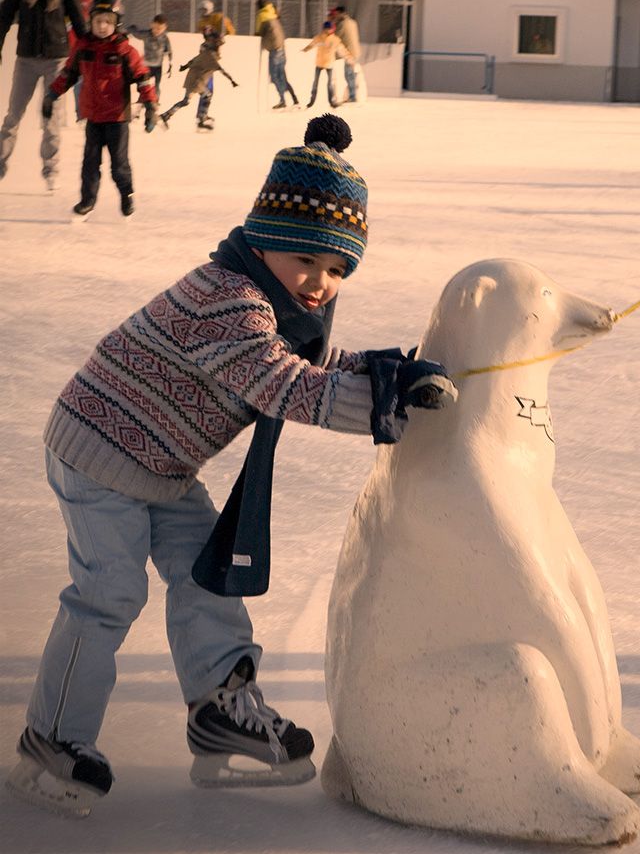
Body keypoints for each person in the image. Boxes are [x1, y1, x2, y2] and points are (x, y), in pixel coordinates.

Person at [5, 112, 458, 816]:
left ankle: (221, 712)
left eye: (337, 268)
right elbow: (282, 384)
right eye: (306, 259)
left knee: (206, 577)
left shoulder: (268, 306)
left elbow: (305, 365)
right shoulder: (228, 299)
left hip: (160, 463)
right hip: (98, 449)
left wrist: (386, 371)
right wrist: (382, 402)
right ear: (267, 241)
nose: (319, 282)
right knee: (109, 593)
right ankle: (52, 739)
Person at [42, 0, 158, 221]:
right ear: (91, 22)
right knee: (90, 164)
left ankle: (127, 194)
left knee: (119, 166)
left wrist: (151, 105)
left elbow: (143, 78)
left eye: (107, 21)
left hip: (117, 118)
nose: (102, 26)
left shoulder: (125, 50)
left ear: (116, 24)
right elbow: (68, 74)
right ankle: (87, 201)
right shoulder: (83, 47)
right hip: (93, 119)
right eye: (98, 21)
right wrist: (52, 94)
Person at [0, 0, 86, 191]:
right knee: (13, 115)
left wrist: (90, 50)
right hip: (26, 59)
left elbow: (78, 20)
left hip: (56, 60)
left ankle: (51, 169)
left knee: (50, 118)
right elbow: (5, 16)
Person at [160, 29, 236, 131]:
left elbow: (194, 60)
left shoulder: (207, 51)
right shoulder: (210, 53)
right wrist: (232, 81)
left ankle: (171, 115)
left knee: (197, 98)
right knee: (201, 97)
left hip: (198, 76)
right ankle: (197, 118)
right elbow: (220, 68)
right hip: (198, 79)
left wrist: (185, 66)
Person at [256, 0, 299, 109]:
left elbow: (258, 32)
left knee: (275, 77)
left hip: (274, 50)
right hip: (282, 49)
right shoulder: (274, 15)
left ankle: (282, 100)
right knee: (282, 77)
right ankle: (295, 99)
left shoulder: (262, 16)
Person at [302, 20, 352, 108]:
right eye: (326, 29)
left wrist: (348, 57)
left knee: (330, 84)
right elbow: (312, 44)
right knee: (315, 83)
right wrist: (306, 49)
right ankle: (311, 101)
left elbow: (342, 50)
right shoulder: (319, 38)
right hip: (319, 63)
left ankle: (331, 101)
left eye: (330, 29)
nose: (328, 31)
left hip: (329, 64)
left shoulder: (335, 40)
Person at [127, 13, 173, 103]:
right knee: (143, 83)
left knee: (156, 85)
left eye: (160, 29)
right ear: (151, 25)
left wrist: (170, 64)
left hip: (157, 66)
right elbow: (137, 33)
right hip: (146, 65)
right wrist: (131, 28)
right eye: (155, 28)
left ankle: (155, 101)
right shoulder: (147, 34)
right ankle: (142, 98)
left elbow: (169, 51)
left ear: (165, 28)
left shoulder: (164, 38)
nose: (156, 31)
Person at [329, 5, 361, 103]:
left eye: (337, 14)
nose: (336, 16)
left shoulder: (343, 24)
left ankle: (353, 97)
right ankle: (352, 95)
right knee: (351, 74)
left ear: (341, 13)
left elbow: (337, 37)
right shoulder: (353, 22)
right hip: (356, 51)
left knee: (349, 75)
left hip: (349, 53)